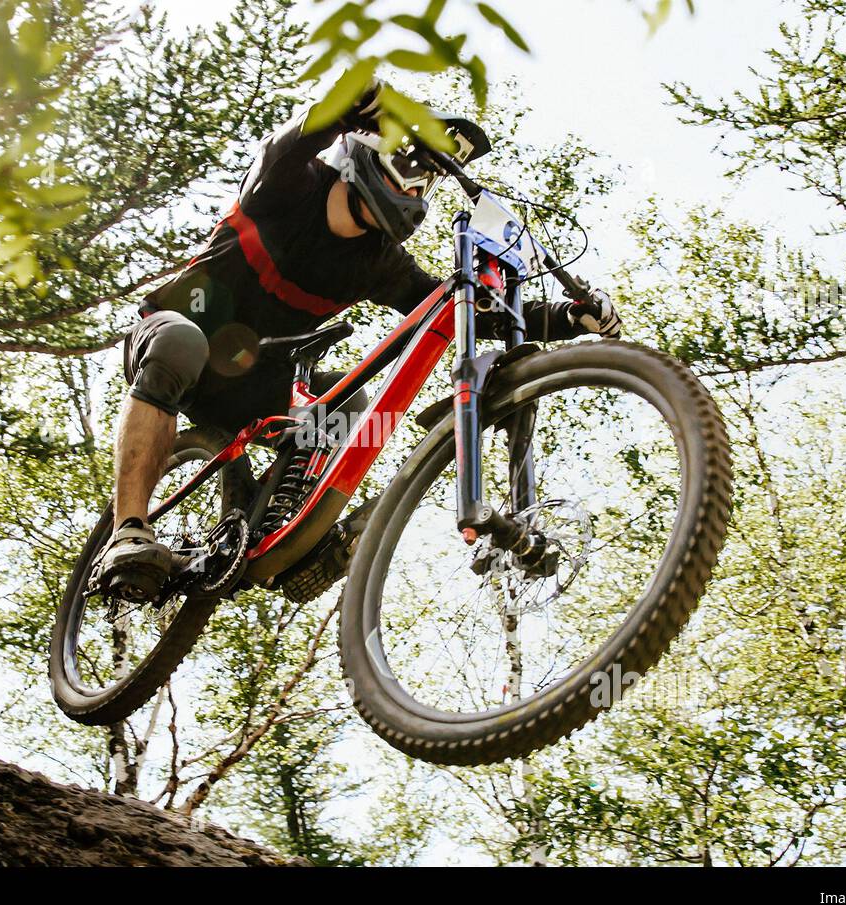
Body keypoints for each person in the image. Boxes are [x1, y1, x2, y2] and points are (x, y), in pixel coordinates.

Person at [96, 84, 621, 598]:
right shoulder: (289, 186)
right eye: (412, 170)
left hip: (254, 386)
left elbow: (462, 309)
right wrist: (348, 104)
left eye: (427, 185)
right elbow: (296, 138)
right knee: (183, 339)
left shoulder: (377, 263)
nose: (416, 192)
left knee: (352, 402)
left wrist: (569, 318)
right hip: (173, 335)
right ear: (372, 151)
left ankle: (296, 535)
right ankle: (129, 530)